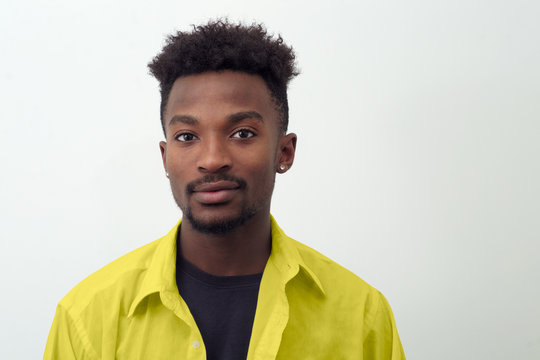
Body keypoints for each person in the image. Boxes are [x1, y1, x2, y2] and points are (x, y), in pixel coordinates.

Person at [44, 19, 405, 359]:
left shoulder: (362, 315)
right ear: (165, 158)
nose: (212, 159)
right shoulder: (86, 317)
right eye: (187, 136)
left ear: (285, 151)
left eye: (242, 133)